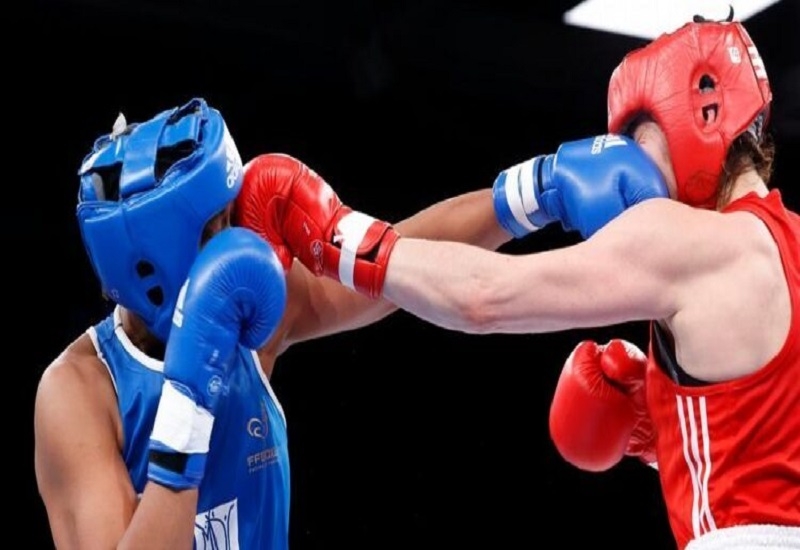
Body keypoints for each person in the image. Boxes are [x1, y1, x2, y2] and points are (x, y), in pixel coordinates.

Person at [249, 16, 800, 550]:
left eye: (637, 138)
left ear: (701, 114)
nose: (631, 166)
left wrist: (339, 236)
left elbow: (483, 296)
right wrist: (668, 439)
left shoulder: (684, 238)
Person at [34, 88, 669, 548]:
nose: (242, 236)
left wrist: (536, 192)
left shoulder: (249, 315)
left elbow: (392, 272)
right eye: (219, 223)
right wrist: (188, 402)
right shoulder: (80, 394)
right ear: (157, 262)